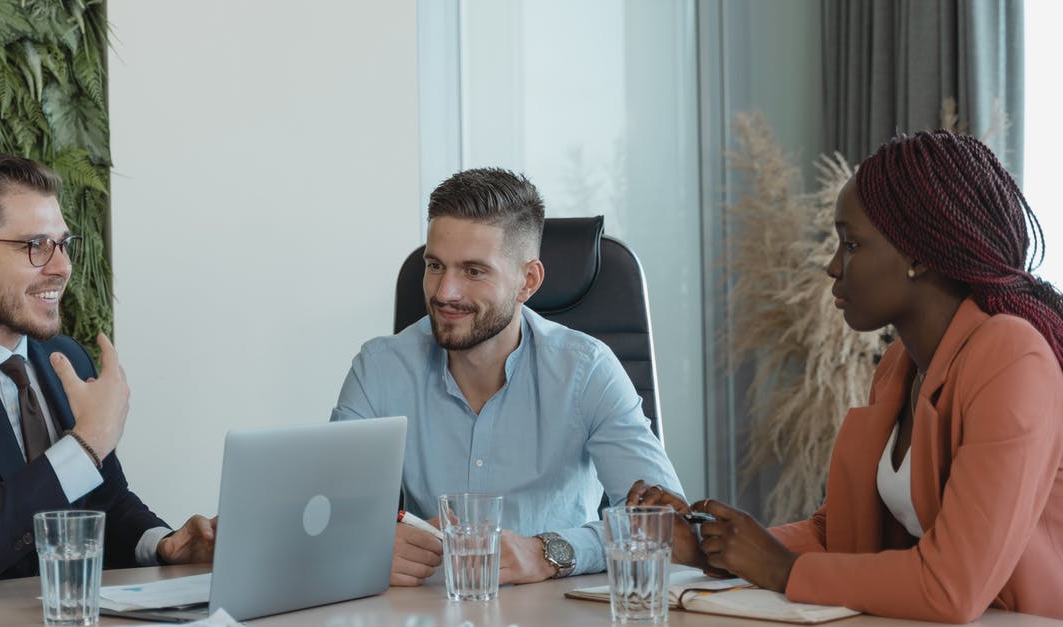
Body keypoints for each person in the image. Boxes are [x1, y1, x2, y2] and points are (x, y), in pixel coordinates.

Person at [638, 130, 1063, 622]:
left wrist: (781, 569)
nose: (833, 266)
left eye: (853, 243)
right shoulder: (898, 368)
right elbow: (839, 534)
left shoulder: (1012, 357)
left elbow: (951, 586)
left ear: (918, 255)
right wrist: (712, 544)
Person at [0, 154, 216, 601]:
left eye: (63, 244)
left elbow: (102, 501)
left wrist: (164, 546)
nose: (62, 267)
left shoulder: (63, 359)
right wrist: (85, 447)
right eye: (35, 246)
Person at [331, 167, 684, 587]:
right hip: (432, 610)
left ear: (527, 281)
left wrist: (551, 553)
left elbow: (667, 526)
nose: (445, 293)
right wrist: (367, 545)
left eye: (473, 271)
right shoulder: (380, 368)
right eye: (435, 266)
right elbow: (332, 515)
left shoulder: (587, 369)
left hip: (557, 611)